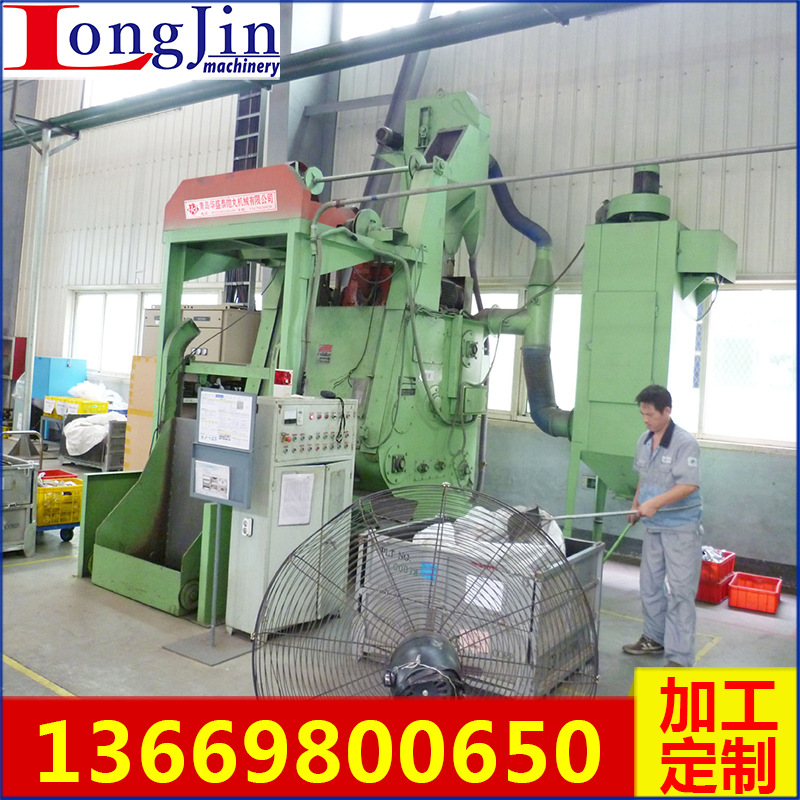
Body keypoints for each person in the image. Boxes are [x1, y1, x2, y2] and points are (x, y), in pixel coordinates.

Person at [622, 384, 703, 667]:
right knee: (650, 586)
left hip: (680, 529)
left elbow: (689, 485)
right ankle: (653, 638)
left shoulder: (684, 443)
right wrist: (636, 503)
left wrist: (655, 503)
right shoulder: (644, 440)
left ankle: (680, 657)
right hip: (653, 526)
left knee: (680, 591)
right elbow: (644, 477)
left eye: (651, 415)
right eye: (642, 414)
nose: (646, 419)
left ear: (667, 411)